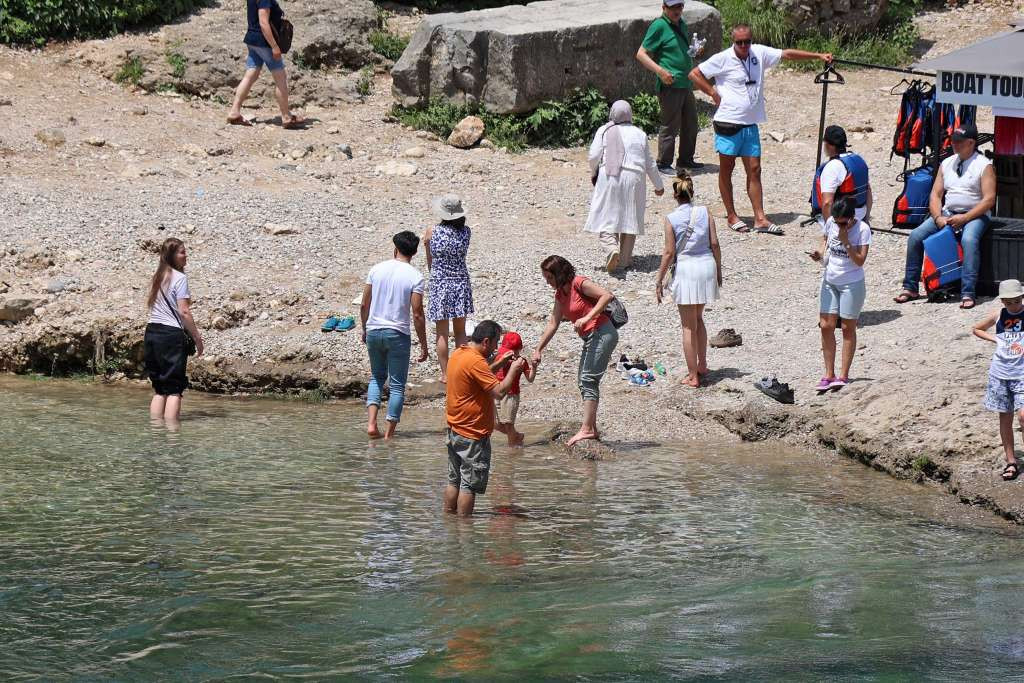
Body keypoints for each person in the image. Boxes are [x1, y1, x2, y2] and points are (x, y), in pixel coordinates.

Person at [689, 23, 831, 234]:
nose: (744, 45)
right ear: (733, 41)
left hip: (750, 124)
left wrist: (818, 56)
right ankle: (731, 215)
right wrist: (712, 92)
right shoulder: (723, 58)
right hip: (728, 123)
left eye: (747, 41)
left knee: (755, 170)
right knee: (727, 170)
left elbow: (787, 55)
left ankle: (760, 218)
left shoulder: (759, 53)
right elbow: (694, 74)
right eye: (740, 42)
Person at [894, 123, 996, 309]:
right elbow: (936, 195)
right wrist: (938, 216)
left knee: (969, 240)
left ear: (971, 142)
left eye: (959, 142)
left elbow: (989, 200)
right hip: (948, 213)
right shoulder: (947, 163)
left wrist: (965, 218)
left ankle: (968, 291)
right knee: (915, 236)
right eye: (953, 141)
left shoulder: (984, 165)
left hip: (975, 214)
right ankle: (910, 286)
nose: (954, 145)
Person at [533, 256, 618, 446]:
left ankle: (587, 429)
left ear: (559, 274)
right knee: (583, 380)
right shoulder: (560, 295)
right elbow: (553, 323)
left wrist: (587, 317)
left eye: (549, 277)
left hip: (603, 333)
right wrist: (538, 349)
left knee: (588, 379)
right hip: (591, 337)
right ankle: (592, 428)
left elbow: (607, 295)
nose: (547, 282)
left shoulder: (579, 283)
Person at [445, 320, 528, 516]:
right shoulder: (476, 362)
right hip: (472, 435)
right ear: (485, 341)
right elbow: (499, 392)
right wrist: (515, 369)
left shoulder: (459, 353)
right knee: (469, 486)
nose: (496, 347)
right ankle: (466, 531)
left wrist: (499, 363)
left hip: (454, 430)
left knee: (453, 481)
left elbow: (476, 375)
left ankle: (449, 521)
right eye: (495, 342)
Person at [360, 230, 429, 440]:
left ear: (395, 249)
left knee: (376, 378)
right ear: (414, 253)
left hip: (374, 329)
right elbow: (417, 314)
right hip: (398, 333)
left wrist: (364, 328)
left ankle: (372, 424)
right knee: (397, 384)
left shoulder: (376, 269)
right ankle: (389, 436)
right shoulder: (415, 276)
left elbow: (364, 303)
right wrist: (424, 345)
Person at [655, 171, 722, 387]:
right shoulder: (705, 212)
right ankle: (702, 365)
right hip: (706, 266)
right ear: (692, 192)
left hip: (686, 269)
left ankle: (693, 375)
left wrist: (659, 279)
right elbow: (714, 243)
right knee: (699, 319)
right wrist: (719, 270)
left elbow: (669, 252)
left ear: (675, 195)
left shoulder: (671, 219)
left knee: (687, 326)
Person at [584, 100, 666, 272]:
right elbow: (650, 163)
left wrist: (594, 173)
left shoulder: (605, 130)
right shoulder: (640, 133)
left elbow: (593, 155)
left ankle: (611, 248)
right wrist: (658, 185)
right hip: (635, 177)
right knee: (630, 217)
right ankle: (624, 261)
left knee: (607, 214)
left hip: (609, 175)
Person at [808, 198, 870, 391]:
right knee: (826, 326)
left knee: (847, 327)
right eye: (836, 221)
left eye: (843, 222)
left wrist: (846, 242)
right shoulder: (831, 223)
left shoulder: (862, 230)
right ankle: (828, 374)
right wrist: (819, 254)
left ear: (852, 218)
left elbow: (860, 261)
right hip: (830, 280)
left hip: (851, 283)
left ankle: (843, 375)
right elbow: (825, 240)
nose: (838, 224)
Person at [636, 0, 704, 174]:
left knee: (690, 123)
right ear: (664, 8)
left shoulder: (681, 24)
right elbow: (641, 54)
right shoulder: (658, 26)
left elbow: (680, 50)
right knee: (670, 125)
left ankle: (686, 160)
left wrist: (695, 52)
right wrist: (660, 71)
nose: (677, 10)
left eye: (680, 7)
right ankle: (664, 164)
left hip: (685, 82)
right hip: (670, 85)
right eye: (673, 7)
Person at [143, 238, 204, 423]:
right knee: (174, 390)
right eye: (182, 252)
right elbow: (184, 311)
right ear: (172, 255)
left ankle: (156, 434)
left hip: (151, 332)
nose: (186, 256)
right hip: (170, 336)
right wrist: (197, 338)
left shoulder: (157, 276)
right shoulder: (180, 278)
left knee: (159, 389)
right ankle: (172, 440)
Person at [973, 279, 1024, 481]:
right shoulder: (999, 315)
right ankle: (1011, 460)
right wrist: (995, 339)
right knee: (1005, 417)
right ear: (1003, 301)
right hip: (1000, 373)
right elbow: (976, 328)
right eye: (1009, 302)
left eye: (1017, 300)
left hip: (1021, 374)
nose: (1014, 305)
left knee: (1023, 416)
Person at [227, 0, 304, 129]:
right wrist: (274, 46)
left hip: (252, 39)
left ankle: (234, 111)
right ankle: (286, 116)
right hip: (264, 43)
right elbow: (263, 22)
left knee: (250, 75)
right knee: (280, 77)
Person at [424, 194, 475, 382]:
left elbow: (430, 259)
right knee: (460, 331)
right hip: (460, 281)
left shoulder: (432, 231)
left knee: (442, 332)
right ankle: (461, 371)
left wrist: (436, 274)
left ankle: (445, 374)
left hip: (440, 282)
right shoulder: (466, 232)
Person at [812, 125, 872, 226]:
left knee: (820, 216)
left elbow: (827, 203)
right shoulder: (858, 159)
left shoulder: (832, 166)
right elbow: (868, 192)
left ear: (829, 145)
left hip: (843, 218)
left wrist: (829, 230)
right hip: (861, 213)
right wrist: (866, 219)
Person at [490, 331, 538, 447]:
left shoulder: (521, 362)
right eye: (506, 351)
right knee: (493, 423)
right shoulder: (499, 356)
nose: (509, 354)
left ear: (518, 350)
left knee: (508, 424)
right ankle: (516, 435)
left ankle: (512, 449)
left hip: (511, 395)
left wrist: (534, 367)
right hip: (496, 391)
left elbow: (530, 379)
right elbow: (490, 370)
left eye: (513, 351)